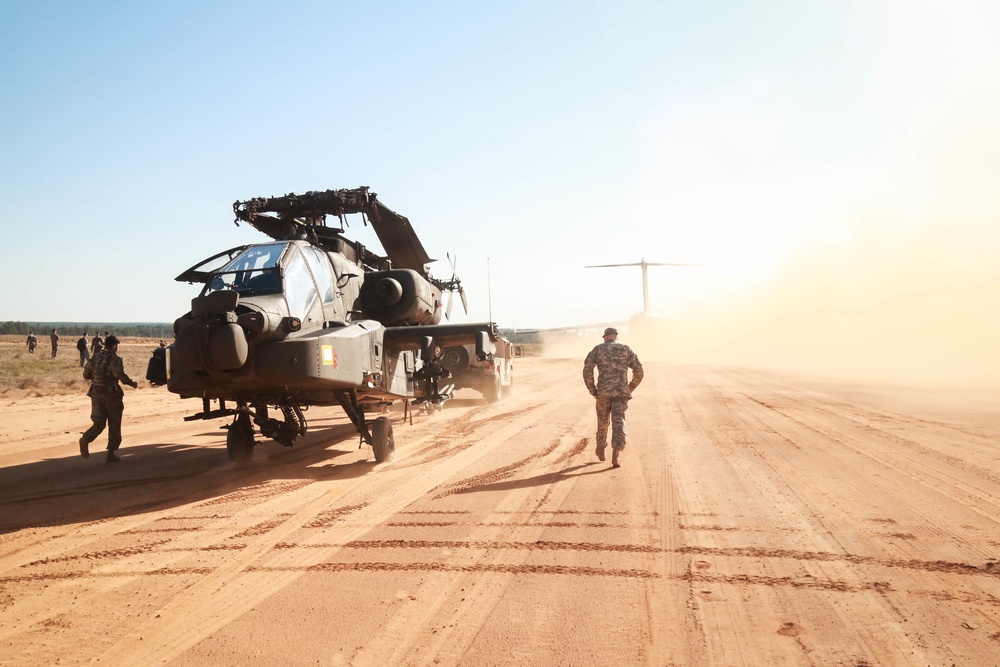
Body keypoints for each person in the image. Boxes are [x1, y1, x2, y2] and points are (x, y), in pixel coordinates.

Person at [582, 327, 644, 468]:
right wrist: (630, 387)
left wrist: (592, 389)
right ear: (616, 336)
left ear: (605, 337)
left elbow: (587, 369)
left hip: (603, 392)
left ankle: (600, 447)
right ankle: (616, 453)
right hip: (621, 393)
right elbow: (639, 371)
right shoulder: (625, 349)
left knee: (603, 422)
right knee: (619, 421)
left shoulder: (597, 349)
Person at [79, 335, 139, 463]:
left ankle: (86, 439)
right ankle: (111, 453)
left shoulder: (96, 357)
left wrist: (96, 377)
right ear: (114, 346)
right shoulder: (115, 359)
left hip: (96, 393)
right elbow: (119, 375)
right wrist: (131, 383)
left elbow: (85, 374)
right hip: (111, 395)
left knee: (99, 423)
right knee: (114, 423)